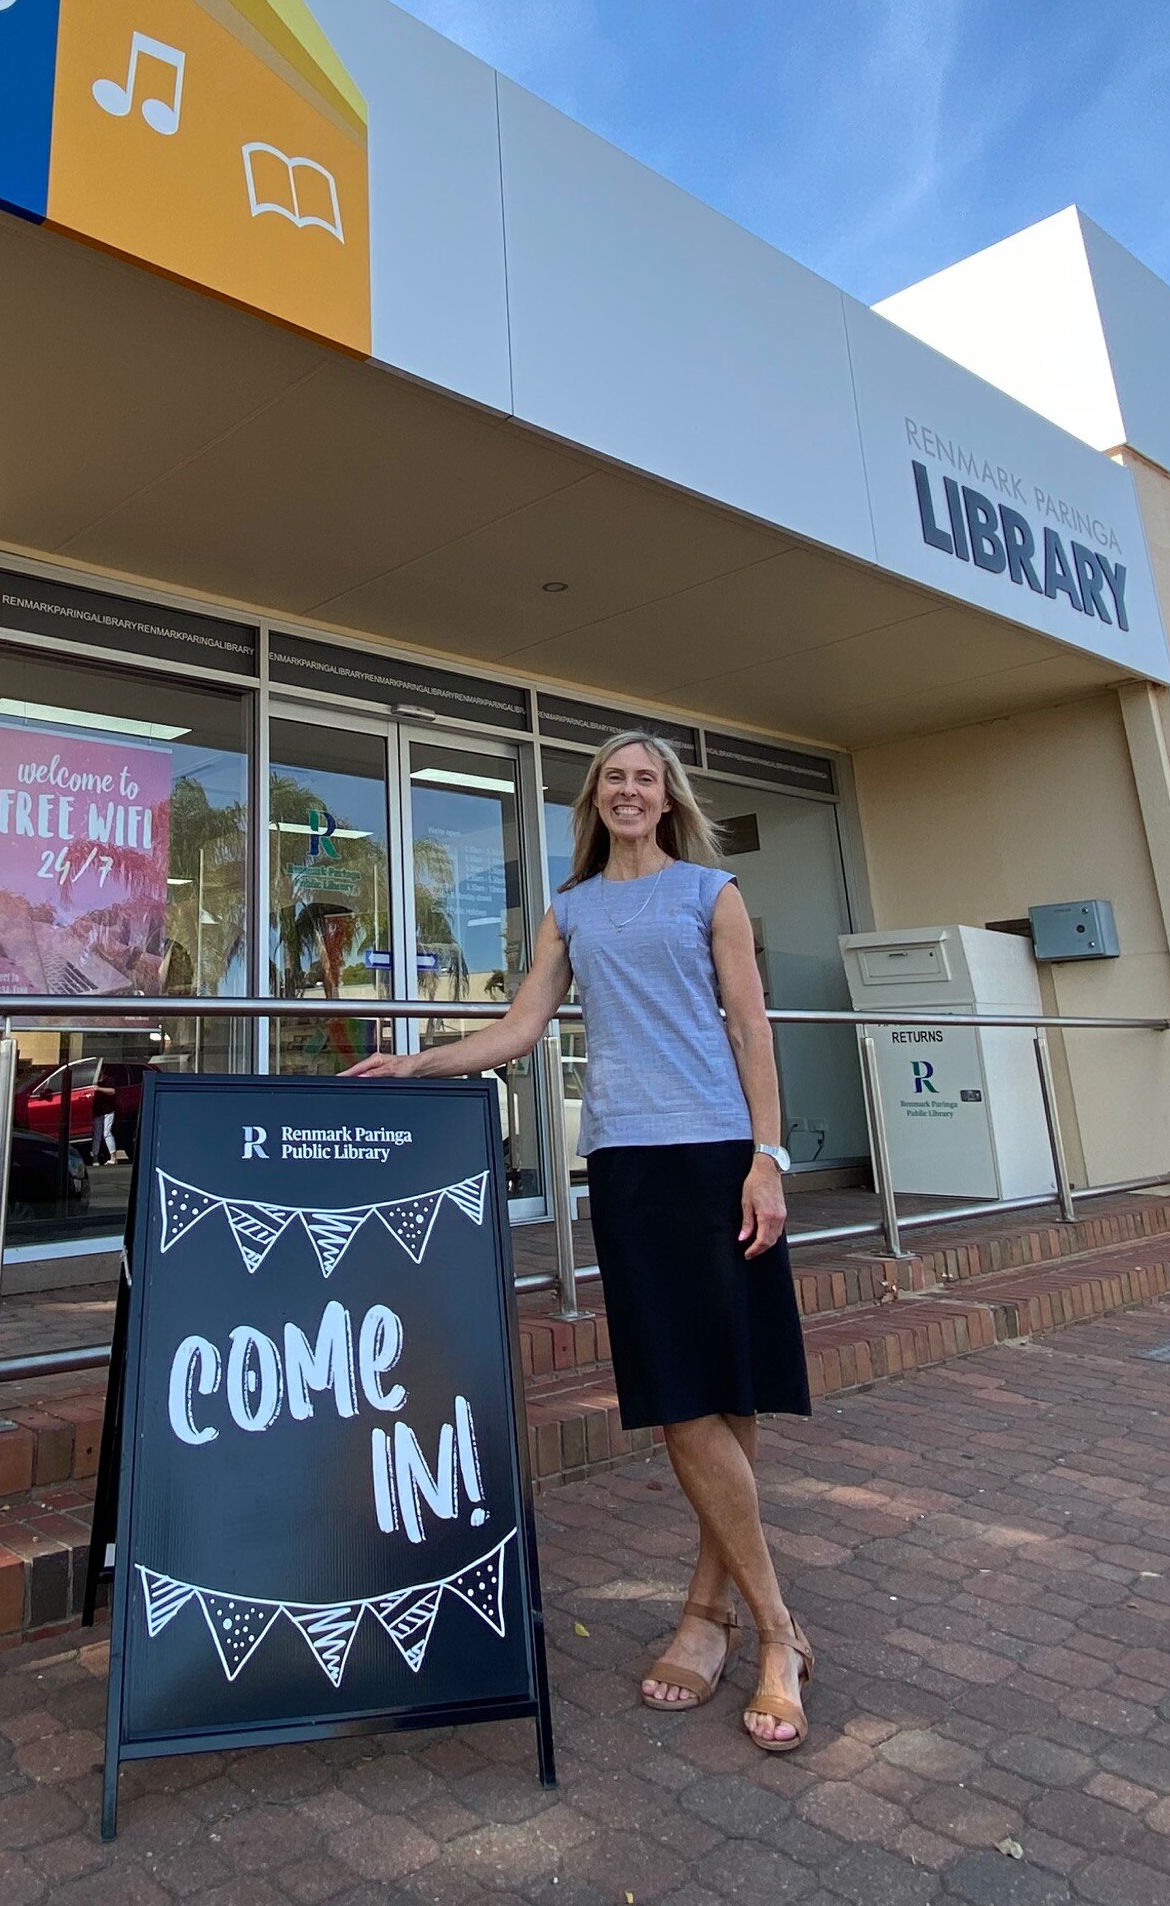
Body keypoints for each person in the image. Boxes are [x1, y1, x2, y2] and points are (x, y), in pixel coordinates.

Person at [347, 730, 815, 1750]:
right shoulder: (574, 908)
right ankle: (754, 1622)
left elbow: (751, 1028)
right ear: (595, 800)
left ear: (669, 795)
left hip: (721, 1155)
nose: (632, 792)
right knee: (682, 1399)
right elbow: (521, 1029)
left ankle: (738, 1624)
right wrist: (419, 1066)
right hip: (630, 1164)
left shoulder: (711, 893)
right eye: (616, 779)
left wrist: (767, 1157)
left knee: (722, 1393)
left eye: (647, 779)